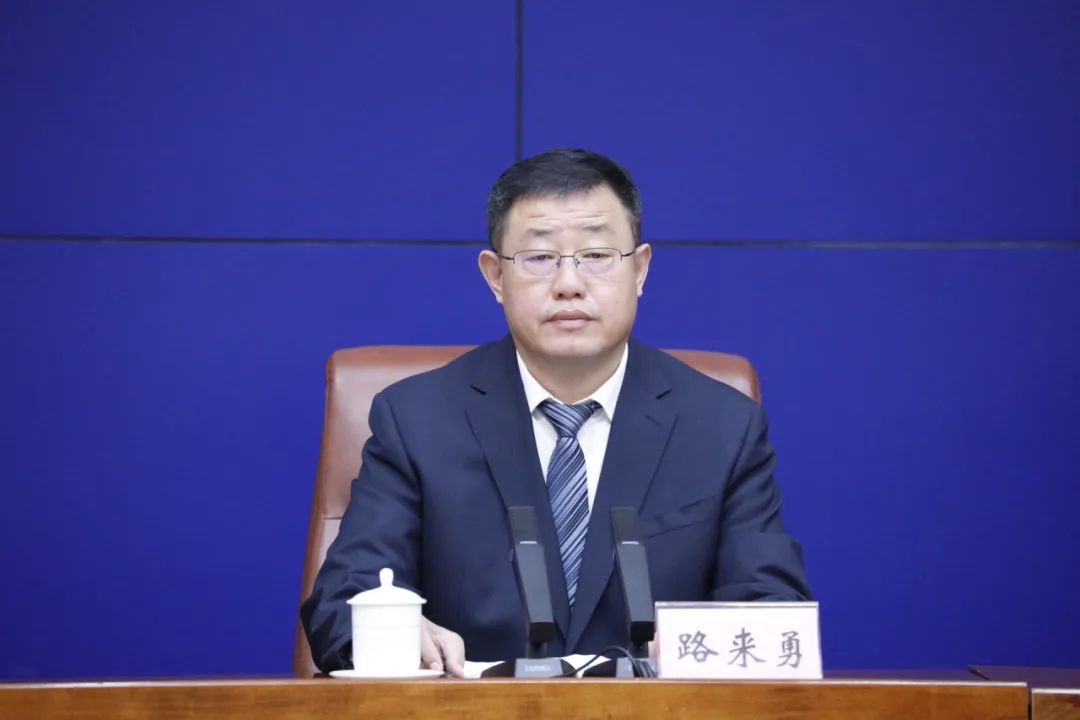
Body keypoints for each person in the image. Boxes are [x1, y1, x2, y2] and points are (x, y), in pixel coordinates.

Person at [301, 149, 812, 676]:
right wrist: (395, 633)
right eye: (540, 257)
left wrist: (701, 645)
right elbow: (343, 601)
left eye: (596, 254)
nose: (569, 283)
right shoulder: (416, 420)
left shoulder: (723, 426)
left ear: (639, 269)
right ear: (495, 276)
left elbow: (771, 609)